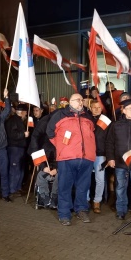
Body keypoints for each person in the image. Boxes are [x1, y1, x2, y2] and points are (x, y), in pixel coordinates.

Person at [47, 93, 96, 226]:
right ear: (71, 102)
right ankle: (64, 214)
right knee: (64, 186)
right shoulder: (59, 114)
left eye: (82, 100)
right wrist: (62, 147)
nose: (81, 102)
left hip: (87, 158)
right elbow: (50, 132)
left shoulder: (88, 116)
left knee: (83, 186)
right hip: (67, 157)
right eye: (78, 100)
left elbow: (93, 133)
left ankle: (81, 209)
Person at [105, 99, 131, 221]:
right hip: (120, 163)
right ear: (124, 110)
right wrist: (110, 158)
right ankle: (121, 210)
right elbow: (109, 142)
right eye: (129, 108)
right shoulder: (115, 125)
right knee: (120, 188)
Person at [89, 100, 109, 214]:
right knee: (85, 179)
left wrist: (108, 155)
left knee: (100, 180)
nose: (96, 109)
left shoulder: (106, 121)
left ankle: (97, 201)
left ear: (102, 109)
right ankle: (85, 200)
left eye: (98, 107)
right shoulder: (86, 119)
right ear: (90, 108)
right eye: (94, 107)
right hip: (87, 154)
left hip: (101, 154)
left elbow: (110, 139)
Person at [5, 103, 29, 196]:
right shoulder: (13, 121)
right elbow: (12, 134)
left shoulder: (18, 120)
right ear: (22, 112)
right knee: (15, 168)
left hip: (20, 147)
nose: (26, 114)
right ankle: (12, 188)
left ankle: (17, 187)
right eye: (25, 112)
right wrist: (23, 134)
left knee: (19, 168)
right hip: (15, 148)